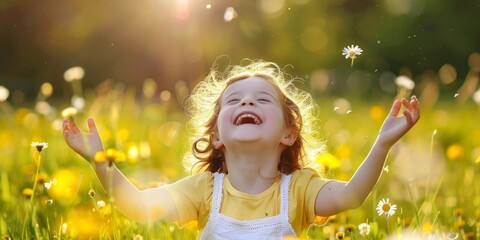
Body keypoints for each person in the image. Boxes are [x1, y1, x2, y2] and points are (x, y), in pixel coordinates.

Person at [62, 60, 420, 239]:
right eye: (234, 101)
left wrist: (383, 142)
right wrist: (99, 160)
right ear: (217, 136)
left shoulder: (297, 189)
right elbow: (139, 207)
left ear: (289, 134)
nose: (247, 103)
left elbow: (351, 196)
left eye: (262, 100)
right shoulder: (204, 190)